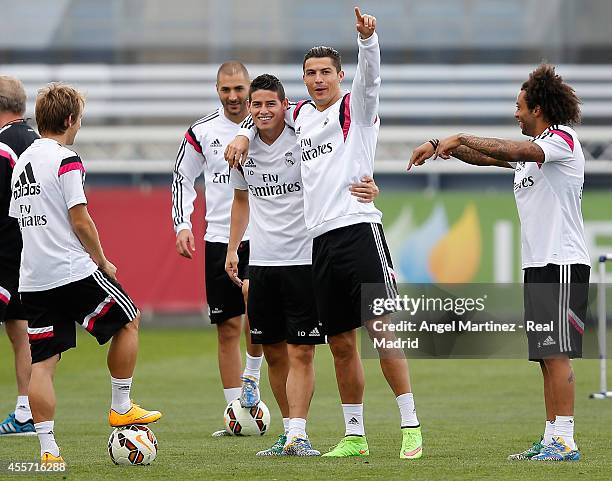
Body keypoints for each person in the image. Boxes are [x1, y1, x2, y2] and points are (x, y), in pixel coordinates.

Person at [225, 7, 423, 459]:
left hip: (358, 231)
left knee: (382, 332)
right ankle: (354, 434)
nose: (318, 80)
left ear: (339, 76)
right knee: (340, 343)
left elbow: (370, 80)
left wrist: (368, 41)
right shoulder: (299, 117)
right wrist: (239, 135)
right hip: (320, 243)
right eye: (310, 73)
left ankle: (410, 424)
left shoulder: (354, 107)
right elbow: (264, 113)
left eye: (326, 73)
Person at [409, 64, 589, 462]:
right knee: (544, 355)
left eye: (520, 106)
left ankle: (566, 440)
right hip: (538, 265)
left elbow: (515, 149)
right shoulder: (533, 156)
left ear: (539, 109)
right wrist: (445, 146)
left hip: (561, 262)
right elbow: (487, 156)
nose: (515, 113)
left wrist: (457, 135)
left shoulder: (561, 140)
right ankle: (550, 438)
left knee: (556, 353)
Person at [225, 74, 380, 457]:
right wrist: (233, 249)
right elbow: (241, 200)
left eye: (270, 104)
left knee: (302, 352)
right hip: (262, 262)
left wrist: (369, 184)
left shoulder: (303, 134)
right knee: (273, 352)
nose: (263, 111)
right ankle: (288, 431)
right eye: (255, 105)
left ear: (284, 106)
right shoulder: (241, 152)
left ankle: (300, 433)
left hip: (303, 259)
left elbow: (340, 163)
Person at [9, 83, 162, 466]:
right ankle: (121, 405)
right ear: (70, 120)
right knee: (129, 320)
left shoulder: (21, 164)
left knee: (43, 362)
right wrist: (102, 260)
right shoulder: (66, 159)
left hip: (33, 279)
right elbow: (81, 218)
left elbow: (20, 222)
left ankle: (48, 450)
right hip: (71, 270)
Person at [171, 62, 265, 435]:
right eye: (226, 90)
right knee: (227, 327)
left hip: (266, 237)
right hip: (218, 239)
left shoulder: (271, 124)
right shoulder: (201, 132)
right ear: (217, 89)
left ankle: (256, 390)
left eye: (239, 89)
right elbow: (182, 176)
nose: (233, 96)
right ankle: (235, 415)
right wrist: (182, 224)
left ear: (249, 87)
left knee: (262, 322)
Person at [0, 76, 38, 436]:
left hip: (5, 254)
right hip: (33, 253)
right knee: (21, 332)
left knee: (21, 332)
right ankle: (26, 412)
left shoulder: (2, 146)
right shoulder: (39, 142)